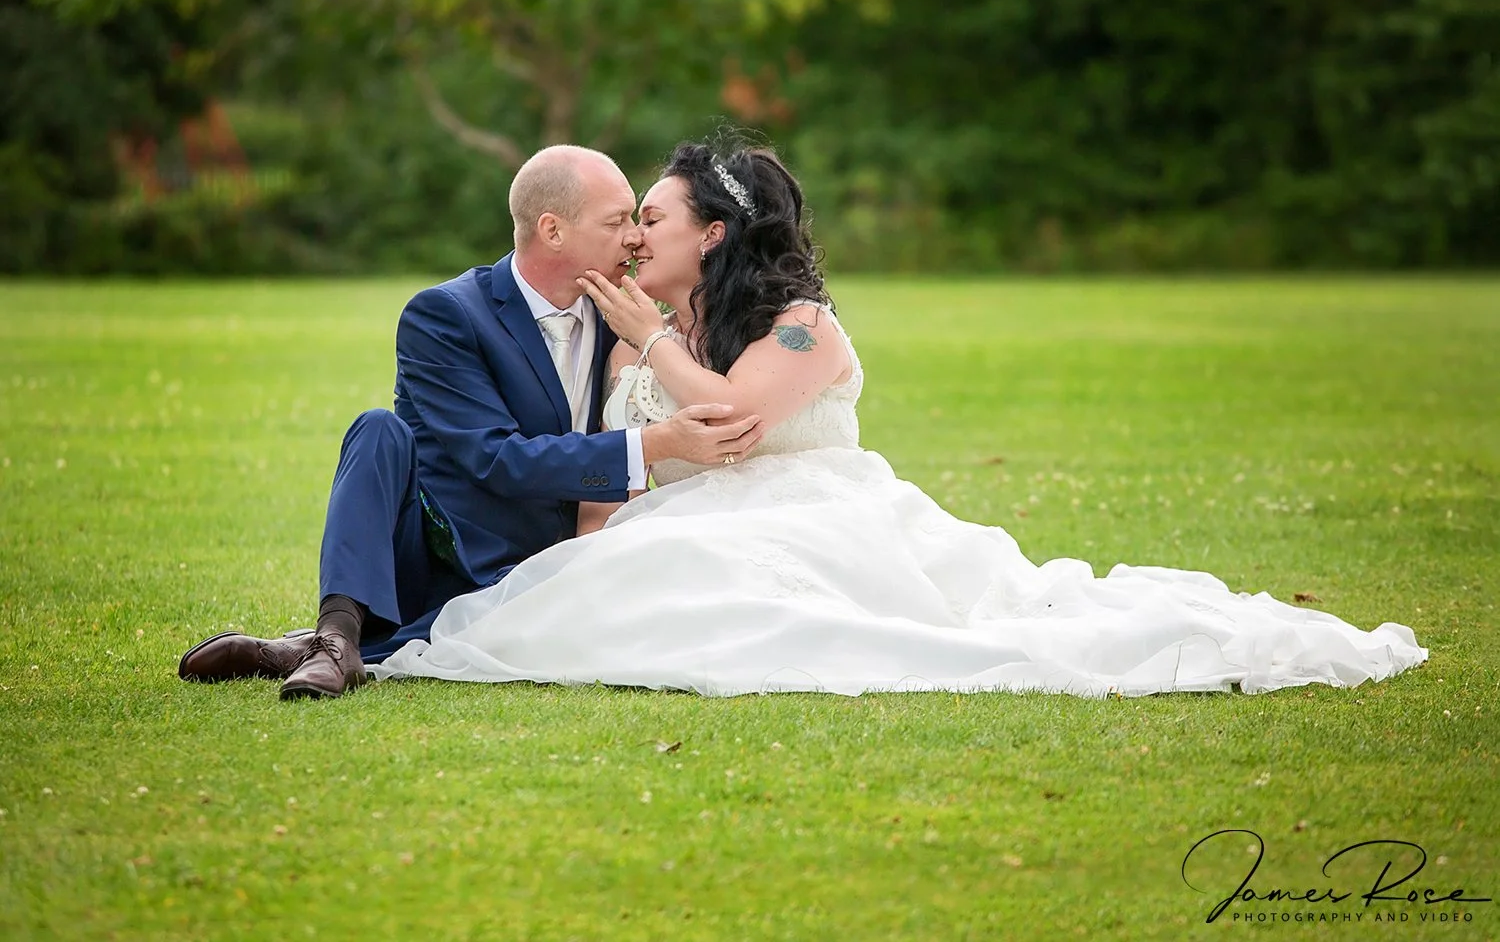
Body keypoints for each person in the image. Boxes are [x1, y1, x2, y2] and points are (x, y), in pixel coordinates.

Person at [372, 140, 1428, 697]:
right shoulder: (632, 321)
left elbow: (732, 420)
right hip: (679, 521)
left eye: (652, 216)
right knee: (636, 590)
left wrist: (649, 339)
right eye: (629, 220)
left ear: (717, 230)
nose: (637, 236)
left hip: (815, 513)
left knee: (791, 609)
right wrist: (585, 550)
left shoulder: (802, 328)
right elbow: (616, 463)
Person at [176, 145, 765, 700]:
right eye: (616, 222)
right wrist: (658, 442)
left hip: (541, 565)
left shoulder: (626, 321)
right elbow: (495, 458)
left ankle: (318, 649)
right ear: (552, 230)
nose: (635, 237)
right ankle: (335, 635)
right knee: (377, 429)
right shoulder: (446, 315)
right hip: (436, 551)